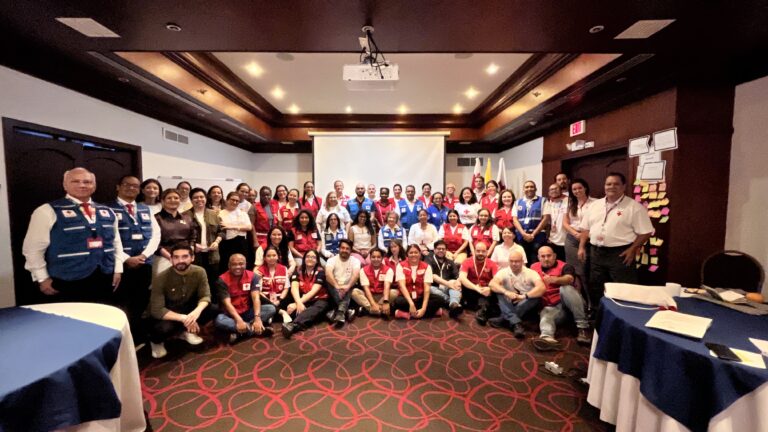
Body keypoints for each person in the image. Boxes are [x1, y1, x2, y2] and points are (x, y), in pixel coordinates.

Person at [23, 167, 124, 304]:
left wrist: (118, 269)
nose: (82, 185)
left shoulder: (107, 211)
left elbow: (116, 243)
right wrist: (42, 278)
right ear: (65, 185)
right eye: (75, 181)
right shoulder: (47, 211)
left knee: (102, 318)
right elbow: (32, 248)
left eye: (87, 182)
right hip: (67, 279)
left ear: (94, 186)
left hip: (104, 276)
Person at [578, 173, 654, 304]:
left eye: (616, 184)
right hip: (596, 252)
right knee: (597, 287)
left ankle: (623, 316)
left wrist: (633, 249)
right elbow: (585, 228)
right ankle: (598, 318)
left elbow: (646, 232)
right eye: (608, 184)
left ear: (623, 187)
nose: (611, 187)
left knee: (624, 288)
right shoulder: (595, 205)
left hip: (620, 253)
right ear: (604, 186)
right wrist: (581, 247)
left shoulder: (634, 207)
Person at [107, 175, 160, 340]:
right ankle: (120, 337)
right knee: (121, 302)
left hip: (144, 263)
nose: (131, 188)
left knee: (141, 299)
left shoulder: (145, 209)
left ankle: (135, 334)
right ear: (118, 187)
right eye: (127, 185)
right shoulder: (107, 209)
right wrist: (126, 258)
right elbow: (108, 239)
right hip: (121, 265)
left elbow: (156, 235)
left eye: (135, 186)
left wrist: (143, 255)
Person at [148, 243, 217, 359]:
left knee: (213, 309)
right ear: (171, 259)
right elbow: (157, 310)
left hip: (187, 307)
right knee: (163, 329)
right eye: (176, 257)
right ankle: (156, 342)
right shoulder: (161, 278)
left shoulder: (200, 272)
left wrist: (195, 313)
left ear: (192, 258)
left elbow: (205, 296)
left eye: (185, 256)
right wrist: (185, 319)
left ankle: (185, 332)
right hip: (169, 313)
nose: (180, 261)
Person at [530, 246, 591, 351]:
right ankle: (547, 339)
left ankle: (583, 328)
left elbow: (569, 279)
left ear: (554, 256)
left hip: (569, 303)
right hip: (552, 308)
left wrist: (554, 280)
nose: (546, 259)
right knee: (546, 317)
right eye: (543, 256)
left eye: (549, 256)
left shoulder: (565, 266)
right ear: (538, 257)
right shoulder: (533, 267)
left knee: (566, 288)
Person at [214, 254, 274, 343]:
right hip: (231, 315)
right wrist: (239, 320)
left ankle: (240, 333)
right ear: (229, 265)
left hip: (247, 312)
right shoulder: (222, 280)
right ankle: (255, 330)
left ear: (246, 264)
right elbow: (227, 304)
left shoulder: (253, 276)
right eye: (234, 264)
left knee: (270, 308)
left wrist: (257, 318)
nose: (238, 267)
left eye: (241, 264)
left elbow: (256, 298)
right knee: (219, 320)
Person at [488, 251, 545, 338]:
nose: (514, 264)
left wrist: (524, 296)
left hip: (525, 302)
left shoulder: (531, 273)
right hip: (509, 301)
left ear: (522, 261)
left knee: (535, 297)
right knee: (499, 292)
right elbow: (492, 284)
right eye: (511, 261)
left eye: (517, 261)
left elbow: (542, 288)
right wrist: (506, 292)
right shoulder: (503, 271)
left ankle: (504, 319)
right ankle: (516, 323)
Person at [562, 179, 596, 305]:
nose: (577, 191)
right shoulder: (570, 204)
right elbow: (565, 223)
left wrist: (583, 235)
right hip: (572, 239)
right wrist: (575, 233)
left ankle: (591, 303)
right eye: (574, 189)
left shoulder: (596, 203)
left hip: (589, 240)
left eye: (579, 188)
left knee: (587, 272)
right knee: (574, 272)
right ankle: (578, 301)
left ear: (585, 188)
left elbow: (597, 222)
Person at [281, 250, 329, 338]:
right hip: (304, 299)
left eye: (313, 257)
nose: (310, 259)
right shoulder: (298, 269)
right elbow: (294, 287)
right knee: (290, 308)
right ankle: (318, 317)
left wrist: (298, 304)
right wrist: (298, 303)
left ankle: (294, 325)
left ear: (317, 260)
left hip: (319, 299)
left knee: (317, 308)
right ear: (304, 258)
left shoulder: (320, 271)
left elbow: (313, 291)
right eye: (308, 256)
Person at [153, 188, 197, 277]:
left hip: (185, 257)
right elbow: (154, 242)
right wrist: (171, 257)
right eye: (169, 198)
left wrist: (190, 252)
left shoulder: (187, 218)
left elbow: (193, 236)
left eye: (176, 198)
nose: (173, 200)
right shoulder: (156, 218)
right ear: (162, 201)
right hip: (164, 258)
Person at [391, 244, 442, 319]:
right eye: (411, 253)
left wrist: (424, 308)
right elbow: (402, 286)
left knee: (439, 300)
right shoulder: (400, 266)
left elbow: (427, 289)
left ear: (420, 254)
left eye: (416, 252)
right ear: (407, 254)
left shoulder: (426, 266)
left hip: (420, 297)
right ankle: (431, 312)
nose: (413, 254)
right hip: (406, 298)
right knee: (398, 301)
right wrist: (411, 304)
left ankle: (406, 314)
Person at [186, 188, 222, 289]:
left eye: (202, 197)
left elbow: (221, 231)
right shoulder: (185, 215)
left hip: (212, 255)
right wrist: (192, 245)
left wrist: (217, 241)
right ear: (191, 200)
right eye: (195, 197)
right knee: (196, 282)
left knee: (213, 282)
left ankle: (213, 303)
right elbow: (182, 236)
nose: (199, 199)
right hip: (195, 255)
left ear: (206, 198)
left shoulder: (213, 214)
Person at [458, 242, 499, 325]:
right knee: (459, 284)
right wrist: (476, 288)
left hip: (485, 290)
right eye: (478, 251)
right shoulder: (467, 262)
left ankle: (482, 310)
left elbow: (497, 280)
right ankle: (483, 309)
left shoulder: (492, 264)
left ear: (487, 252)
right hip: (471, 288)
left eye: (483, 251)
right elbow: (462, 278)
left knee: (491, 292)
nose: (480, 253)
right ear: (474, 251)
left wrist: (490, 288)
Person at [325, 239, 361, 327]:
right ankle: (345, 311)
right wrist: (337, 286)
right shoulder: (332, 260)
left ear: (351, 250)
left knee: (352, 284)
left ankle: (339, 312)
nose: (344, 250)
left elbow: (356, 275)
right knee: (329, 281)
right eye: (342, 248)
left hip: (348, 286)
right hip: (334, 286)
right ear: (339, 249)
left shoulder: (355, 261)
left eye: (347, 248)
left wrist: (347, 287)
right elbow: (328, 274)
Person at [351, 248, 395, 317]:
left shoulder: (388, 270)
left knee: (394, 292)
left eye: (378, 257)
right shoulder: (363, 270)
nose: (376, 259)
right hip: (369, 296)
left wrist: (385, 301)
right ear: (370, 258)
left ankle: (369, 310)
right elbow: (366, 288)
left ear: (382, 258)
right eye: (373, 257)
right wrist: (373, 303)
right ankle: (377, 309)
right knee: (354, 292)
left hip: (382, 296)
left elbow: (387, 286)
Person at [513, 180, 547, 264]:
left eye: (532, 187)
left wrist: (533, 234)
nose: (529, 189)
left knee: (535, 261)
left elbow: (546, 218)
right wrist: (524, 234)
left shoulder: (543, 201)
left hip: (537, 237)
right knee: (522, 260)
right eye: (527, 187)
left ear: (536, 189)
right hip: (521, 237)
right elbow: (515, 219)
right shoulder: (517, 202)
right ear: (523, 189)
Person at [217, 191, 252, 273]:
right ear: (227, 200)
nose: (235, 202)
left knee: (241, 265)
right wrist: (239, 227)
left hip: (241, 242)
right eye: (233, 200)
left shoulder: (243, 213)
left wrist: (231, 226)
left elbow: (249, 227)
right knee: (226, 265)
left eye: (237, 201)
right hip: (226, 243)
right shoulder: (220, 213)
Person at [256, 246, 292, 323]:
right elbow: (259, 291)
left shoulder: (284, 268)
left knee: (290, 298)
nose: (271, 258)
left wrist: (279, 300)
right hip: (265, 300)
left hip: (280, 299)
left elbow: (286, 288)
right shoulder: (259, 271)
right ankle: (281, 312)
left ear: (278, 257)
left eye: (274, 255)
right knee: (257, 296)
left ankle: (272, 315)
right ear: (264, 258)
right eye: (268, 256)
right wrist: (269, 301)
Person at [428, 240, 462, 318]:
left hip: (448, 288)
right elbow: (432, 275)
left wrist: (457, 283)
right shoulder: (429, 259)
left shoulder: (450, 262)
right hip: (435, 287)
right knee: (428, 288)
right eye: (439, 248)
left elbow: (457, 276)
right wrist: (448, 284)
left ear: (446, 250)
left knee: (455, 282)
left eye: (443, 249)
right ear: (434, 250)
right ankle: (453, 303)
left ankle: (452, 304)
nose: (441, 250)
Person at [542, 183, 568, 260]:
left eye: (556, 188)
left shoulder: (568, 200)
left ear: (561, 190)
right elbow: (546, 221)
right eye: (551, 189)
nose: (553, 191)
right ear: (549, 192)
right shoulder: (548, 203)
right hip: (553, 239)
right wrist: (548, 237)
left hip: (566, 239)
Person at [252, 186, 279, 250]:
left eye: (268, 195)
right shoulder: (254, 207)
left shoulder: (273, 205)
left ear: (271, 195)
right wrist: (255, 241)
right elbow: (252, 225)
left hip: (272, 237)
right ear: (260, 195)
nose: (266, 197)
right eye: (263, 195)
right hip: (259, 238)